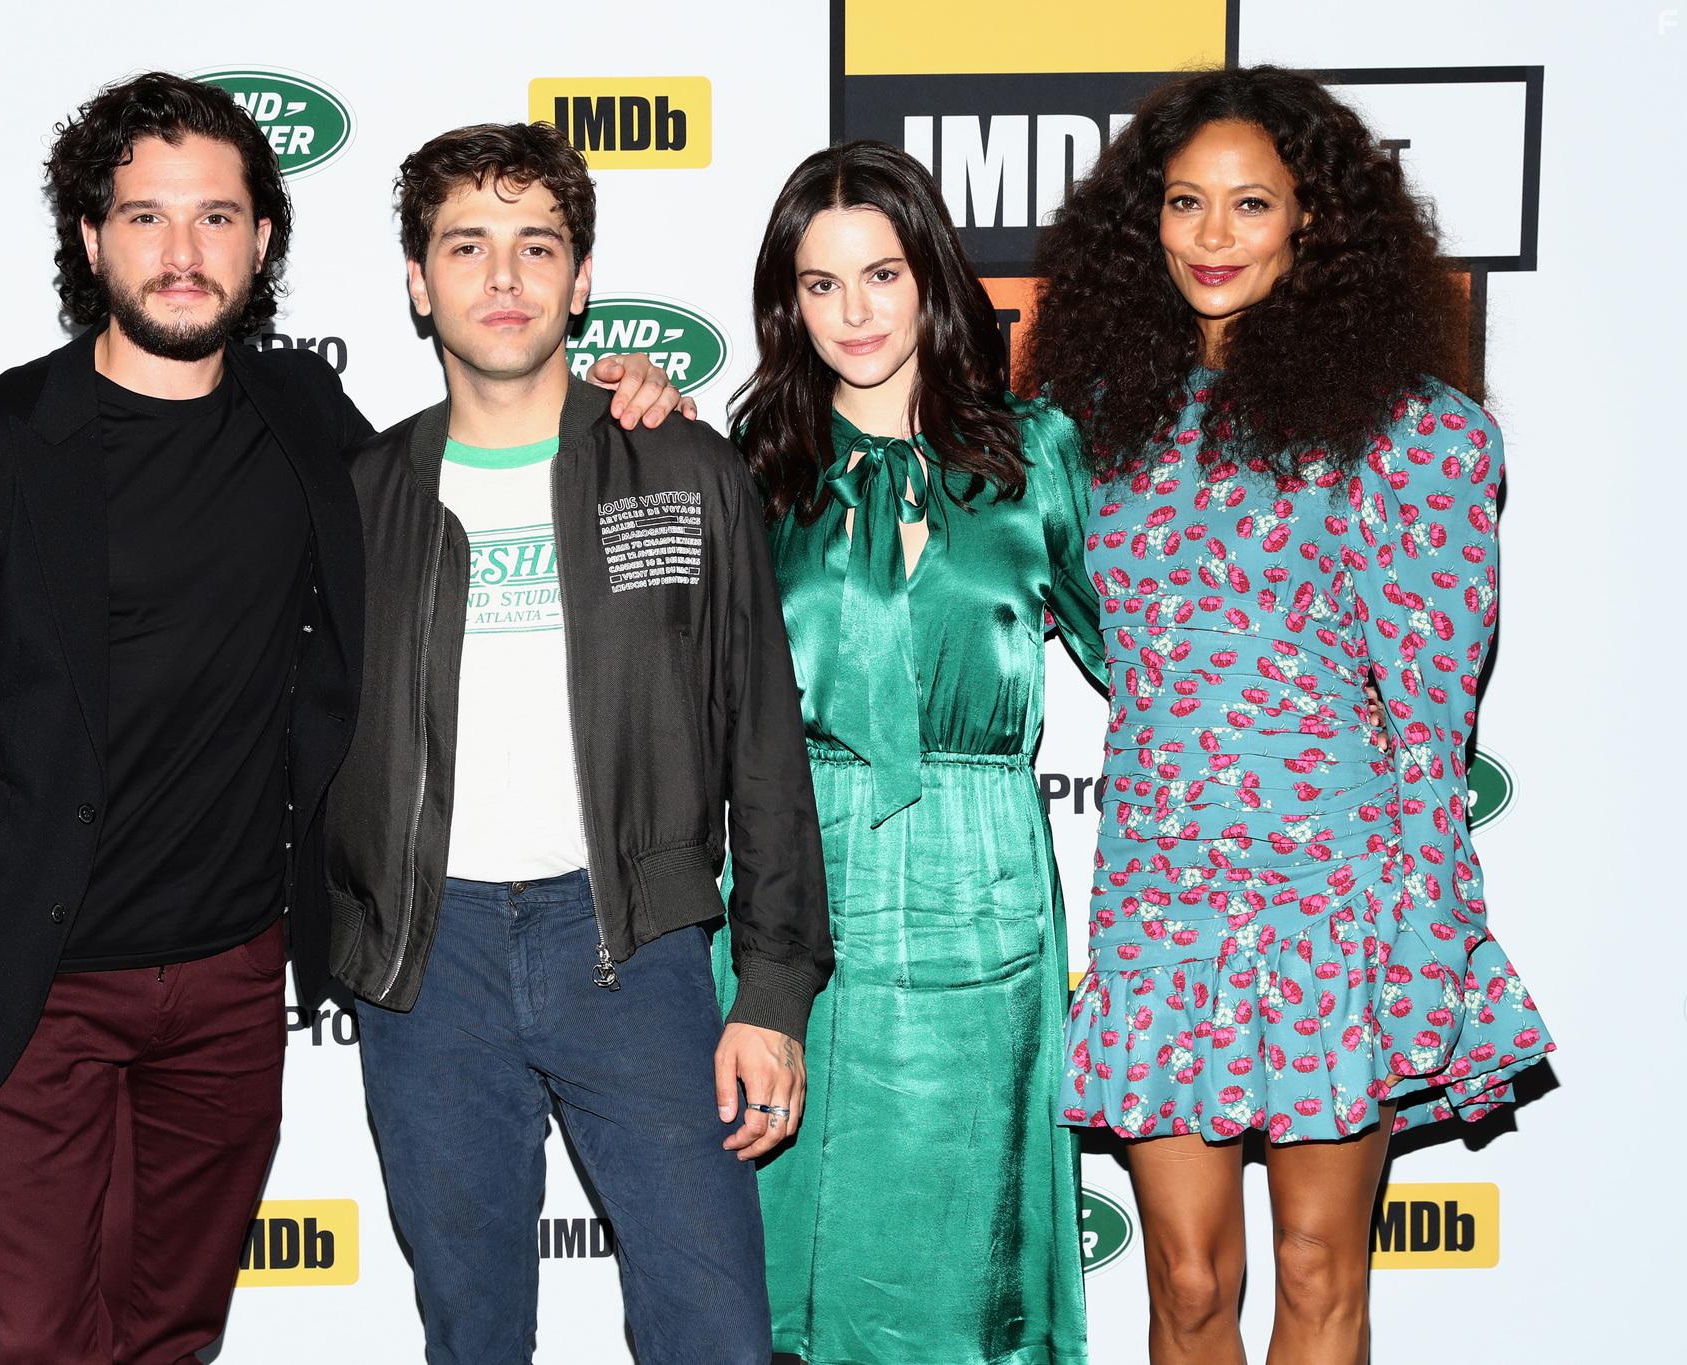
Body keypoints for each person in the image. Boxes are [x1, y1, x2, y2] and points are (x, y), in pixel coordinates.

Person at [0, 74, 689, 1363]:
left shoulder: (306, 423)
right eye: (147, 217)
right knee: (37, 1342)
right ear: (90, 236)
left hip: (228, 986)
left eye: (216, 218)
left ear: (262, 242)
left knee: (174, 1334)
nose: (181, 253)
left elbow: (482, 431)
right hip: (26, 983)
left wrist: (621, 397)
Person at [1027, 65, 1557, 1365]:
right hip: (1163, 894)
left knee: (1321, 1270)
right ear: (1142, 222)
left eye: (1249, 204)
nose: (1211, 236)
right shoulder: (1086, 431)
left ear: (1310, 221)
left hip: (1340, 890)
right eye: (1186, 203)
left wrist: (1435, 920)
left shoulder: (1407, 433)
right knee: (1190, 1282)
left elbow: (1433, 717)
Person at [323, 121, 832, 1365]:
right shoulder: (357, 498)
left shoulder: (680, 466)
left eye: (534, 245)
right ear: (415, 280)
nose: (501, 279)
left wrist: (769, 992)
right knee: (473, 1335)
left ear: (581, 279)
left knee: (714, 1331)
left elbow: (762, 740)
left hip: (635, 951)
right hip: (426, 964)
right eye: (465, 246)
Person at [714, 140, 1100, 1365]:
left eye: (879, 275)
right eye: (819, 286)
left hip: (980, 887)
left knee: (968, 1263)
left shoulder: (1038, 453)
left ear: (930, 277)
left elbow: (1156, 667)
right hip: (797, 890)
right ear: (788, 305)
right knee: (794, 1254)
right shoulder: (749, 475)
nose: (853, 313)